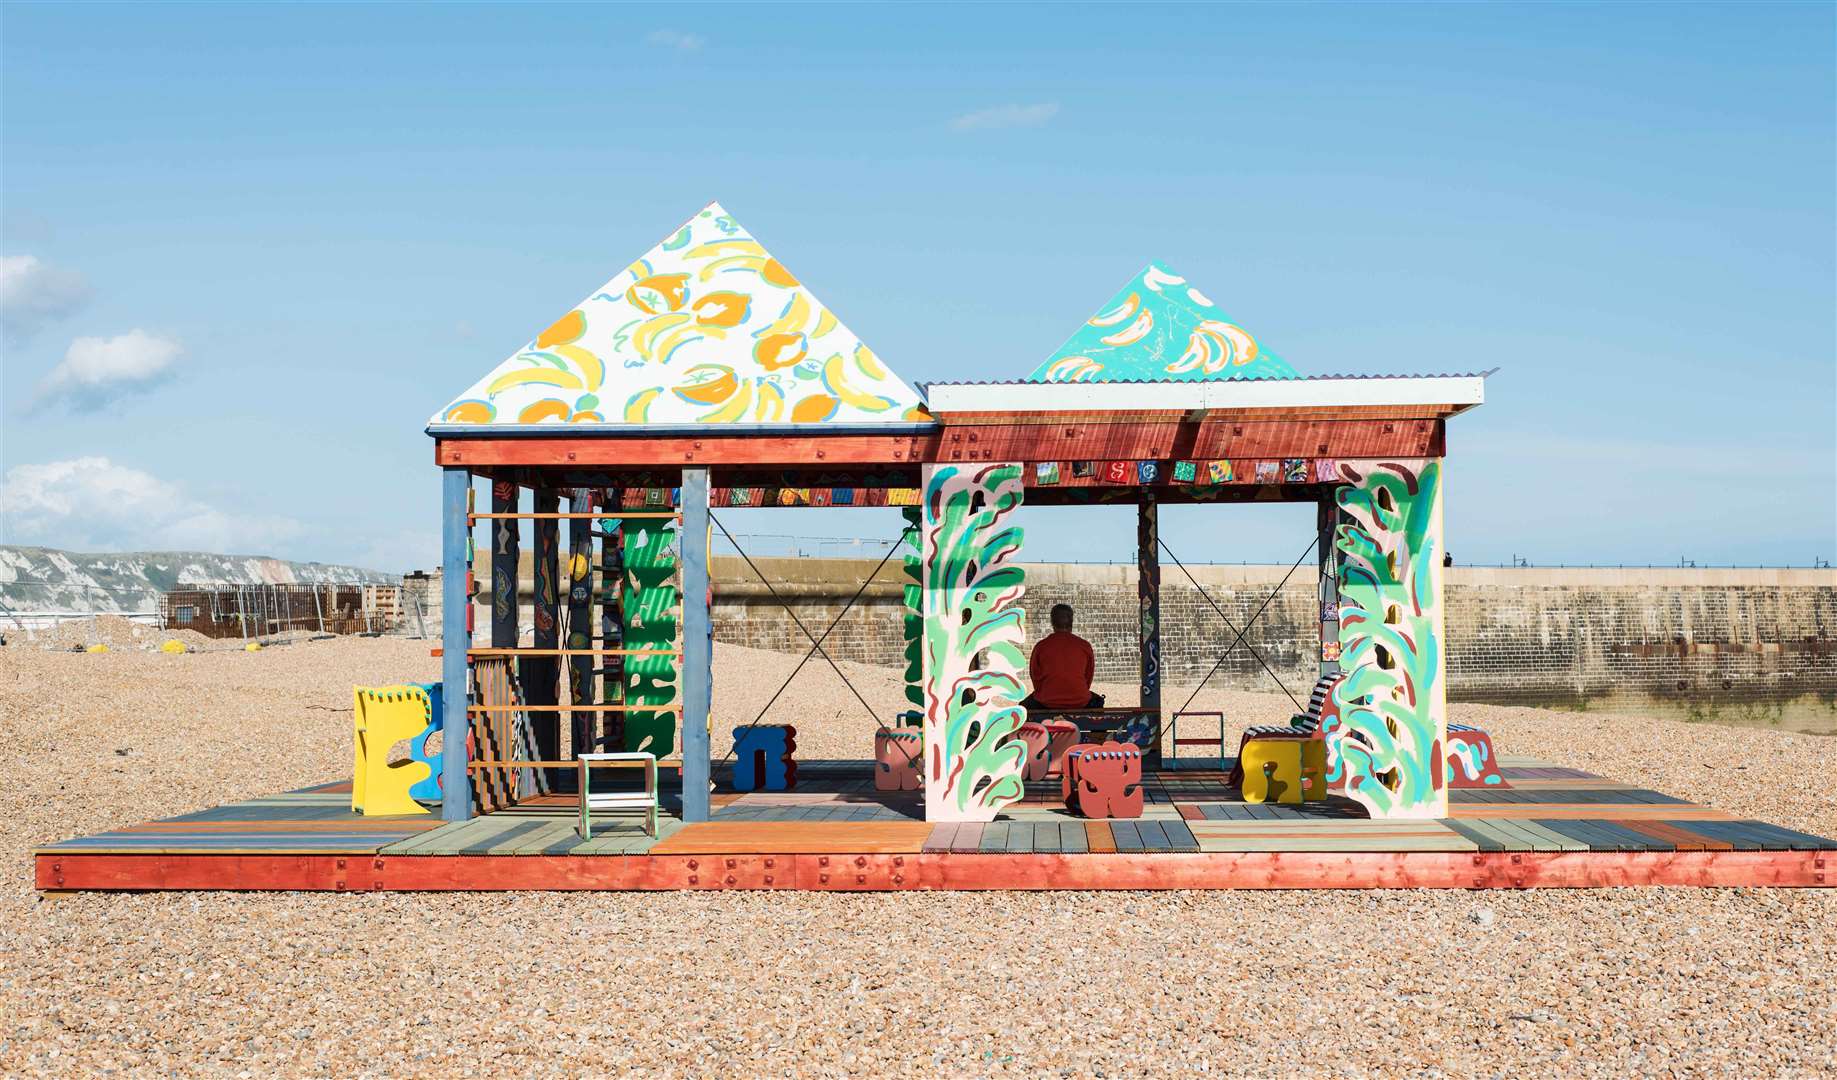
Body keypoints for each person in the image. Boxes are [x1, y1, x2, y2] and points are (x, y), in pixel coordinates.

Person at [1022, 603, 1104, 709]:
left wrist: (1048, 693)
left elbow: (1035, 677)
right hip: (1080, 700)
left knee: (1022, 707)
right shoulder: (1084, 646)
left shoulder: (1041, 646)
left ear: (1052, 622)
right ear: (1072, 621)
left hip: (1046, 701)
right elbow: (1088, 677)